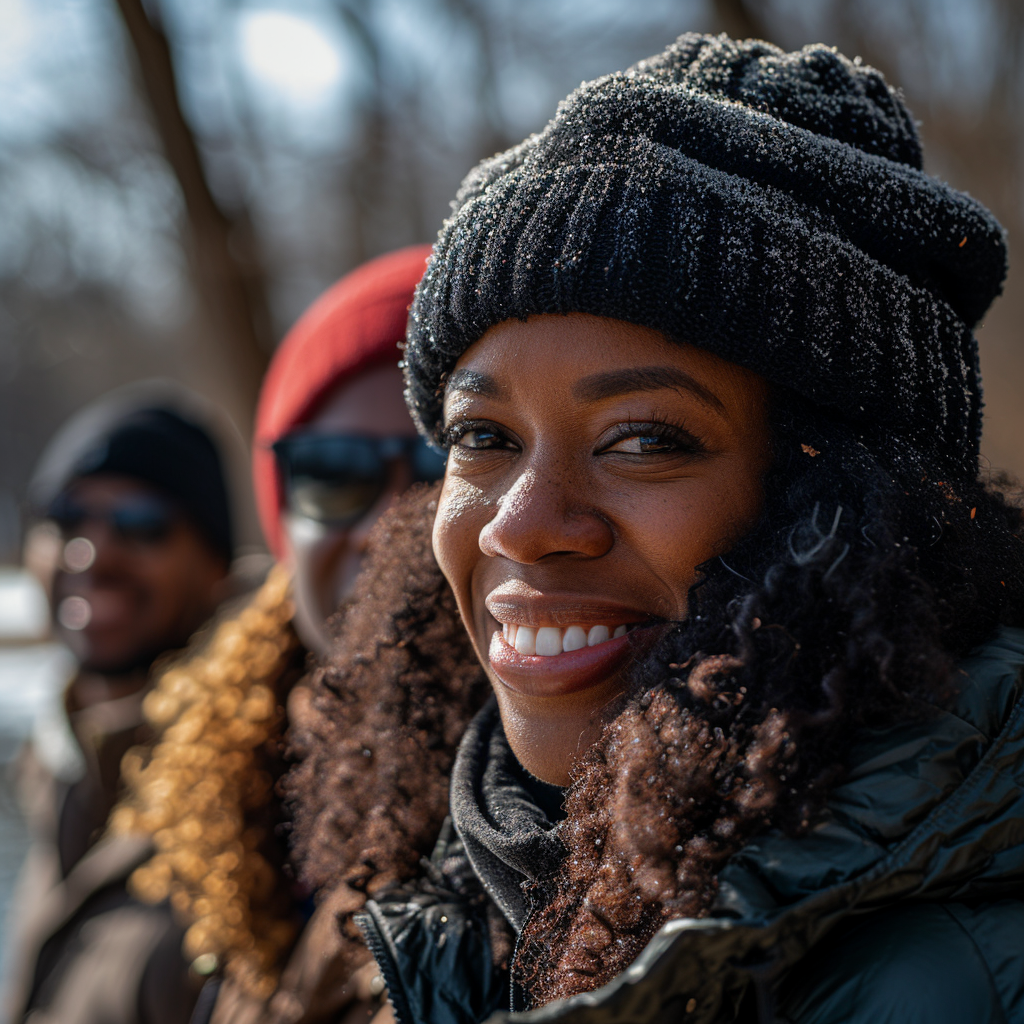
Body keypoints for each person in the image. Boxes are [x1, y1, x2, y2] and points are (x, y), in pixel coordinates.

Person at [283, 34, 1024, 1024]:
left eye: (642, 439)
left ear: (852, 505)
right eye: (482, 436)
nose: (522, 521)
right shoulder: (448, 900)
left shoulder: (942, 980)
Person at [110, 246, 450, 1024]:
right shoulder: (216, 806)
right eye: (333, 472)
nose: (382, 527)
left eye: (442, 464)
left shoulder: (579, 834)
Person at [5, 383, 241, 1024]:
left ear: (215, 565)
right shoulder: (51, 763)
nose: (94, 551)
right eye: (67, 519)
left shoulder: (253, 790)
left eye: (142, 524)